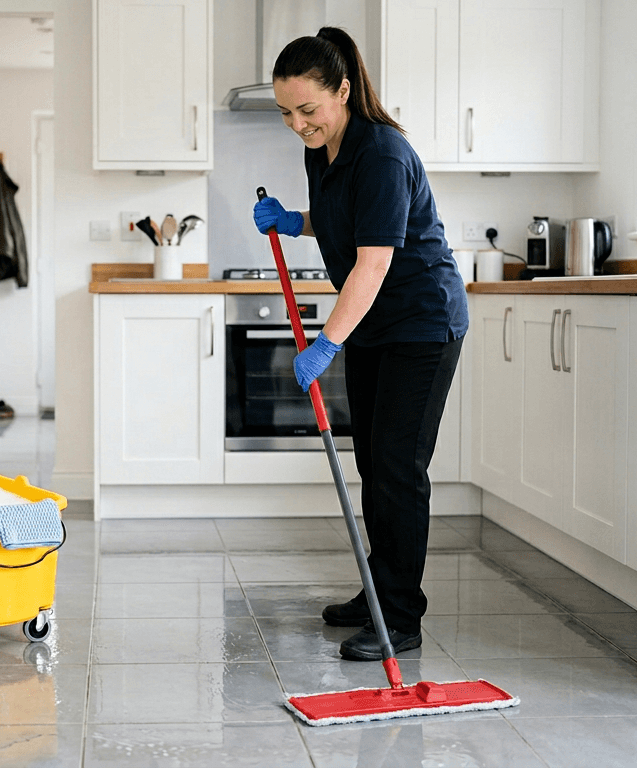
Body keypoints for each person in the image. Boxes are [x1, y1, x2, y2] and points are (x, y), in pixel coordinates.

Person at [252, 27, 468, 661]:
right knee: (376, 466)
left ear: (343, 90)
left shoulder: (384, 152)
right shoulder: (322, 149)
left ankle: (400, 617)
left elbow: (372, 262)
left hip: (422, 323)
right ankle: (379, 592)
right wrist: (297, 221)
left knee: (398, 471)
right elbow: (346, 217)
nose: (297, 124)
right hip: (375, 323)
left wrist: (325, 343)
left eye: (308, 110)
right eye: (286, 112)